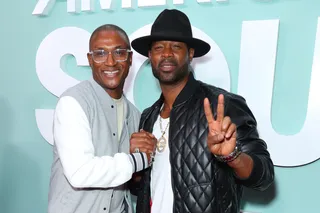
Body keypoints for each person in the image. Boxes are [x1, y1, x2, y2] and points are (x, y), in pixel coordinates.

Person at [129, 9, 275, 213]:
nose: (167, 54)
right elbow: (143, 189)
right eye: (159, 47)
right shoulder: (148, 116)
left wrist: (232, 156)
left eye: (176, 47)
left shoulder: (222, 105)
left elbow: (265, 177)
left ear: (190, 54)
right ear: (150, 56)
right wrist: (136, 162)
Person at [48, 24, 156, 213]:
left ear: (130, 59)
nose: (110, 62)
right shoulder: (73, 102)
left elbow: (130, 182)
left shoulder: (135, 115)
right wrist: (139, 160)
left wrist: (145, 163)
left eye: (119, 52)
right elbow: (80, 173)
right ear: (90, 60)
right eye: (100, 53)